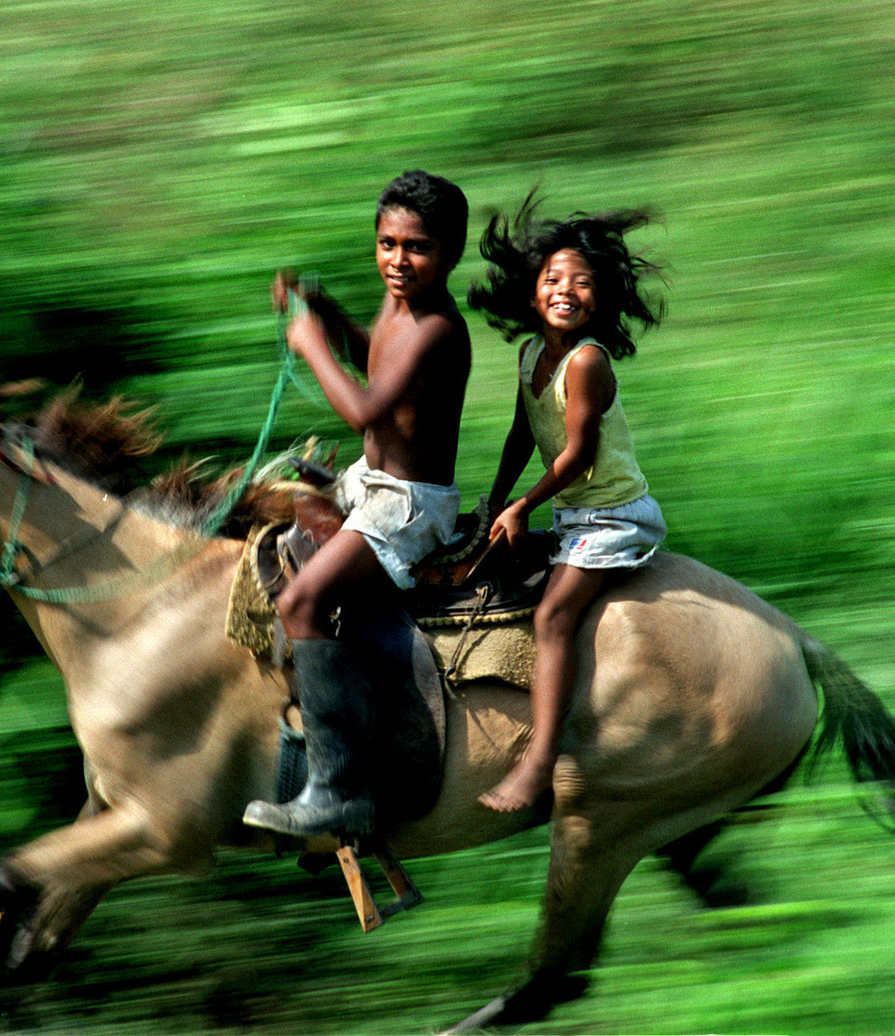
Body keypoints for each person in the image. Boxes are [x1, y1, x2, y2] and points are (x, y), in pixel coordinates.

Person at [243, 170, 472, 838]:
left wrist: (310, 344)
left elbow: (364, 408)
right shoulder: (396, 305)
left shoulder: (435, 327)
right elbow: (373, 355)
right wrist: (328, 315)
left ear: (450, 253)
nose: (399, 260)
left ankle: (337, 788)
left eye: (417, 248)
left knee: (302, 601)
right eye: (387, 243)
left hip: (406, 505)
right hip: (368, 482)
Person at [468, 194, 667, 813]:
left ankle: (537, 766)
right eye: (553, 279)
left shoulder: (586, 362)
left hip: (612, 515)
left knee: (552, 618)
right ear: (532, 292)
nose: (565, 291)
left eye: (582, 283)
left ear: (600, 300)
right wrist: (493, 506)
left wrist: (523, 505)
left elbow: (578, 455)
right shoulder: (531, 355)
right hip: (570, 513)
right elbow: (522, 433)